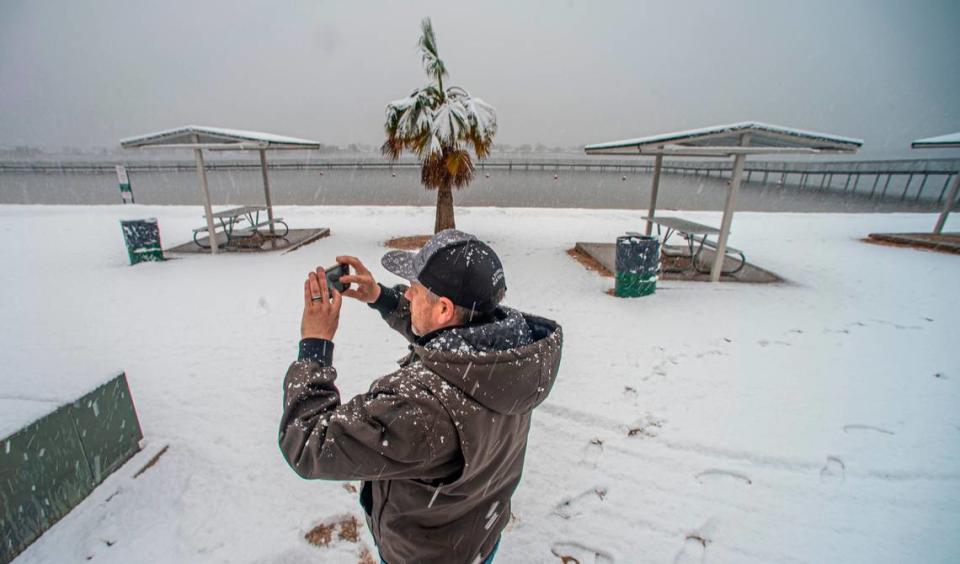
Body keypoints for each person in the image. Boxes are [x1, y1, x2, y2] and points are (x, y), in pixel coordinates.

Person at [278, 229, 563, 564]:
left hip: (426, 555)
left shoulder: (419, 407)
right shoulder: (511, 356)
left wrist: (315, 344)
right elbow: (447, 340)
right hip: (476, 535)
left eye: (415, 290)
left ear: (444, 308)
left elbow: (308, 442)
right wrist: (381, 297)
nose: (408, 295)